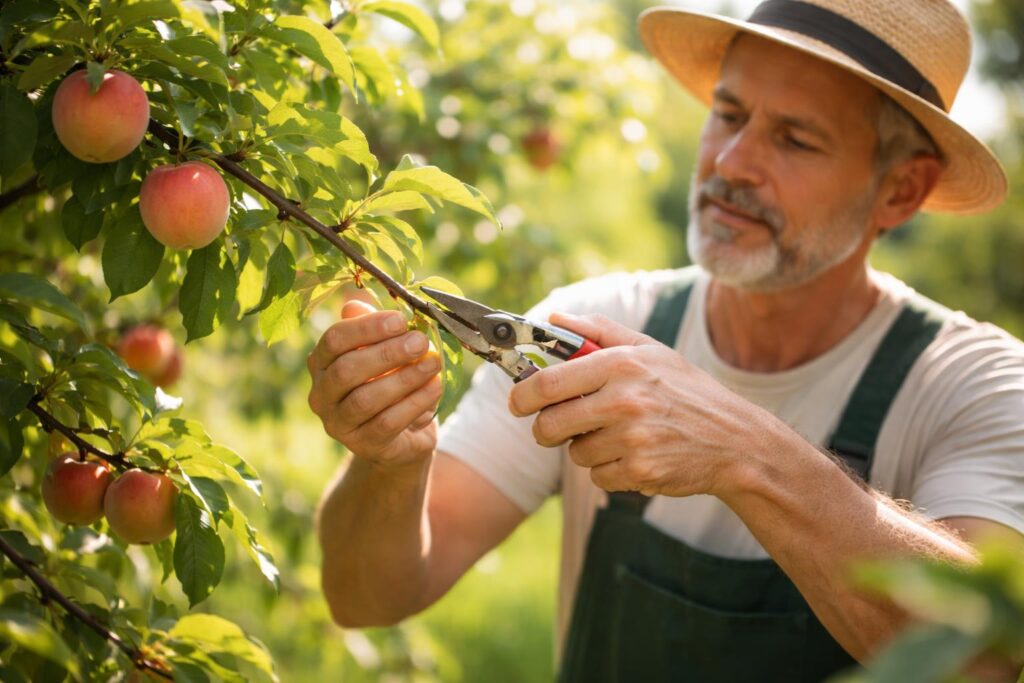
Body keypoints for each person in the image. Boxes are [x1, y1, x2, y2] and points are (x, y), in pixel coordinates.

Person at [307, 0, 1024, 680]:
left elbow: (982, 655)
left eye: (795, 138)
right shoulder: (590, 321)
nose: (731, 162)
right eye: (729, 114)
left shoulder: (975, 385)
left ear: (900, 190)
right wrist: (390, 465)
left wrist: (742, 450)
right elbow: (366, 597)